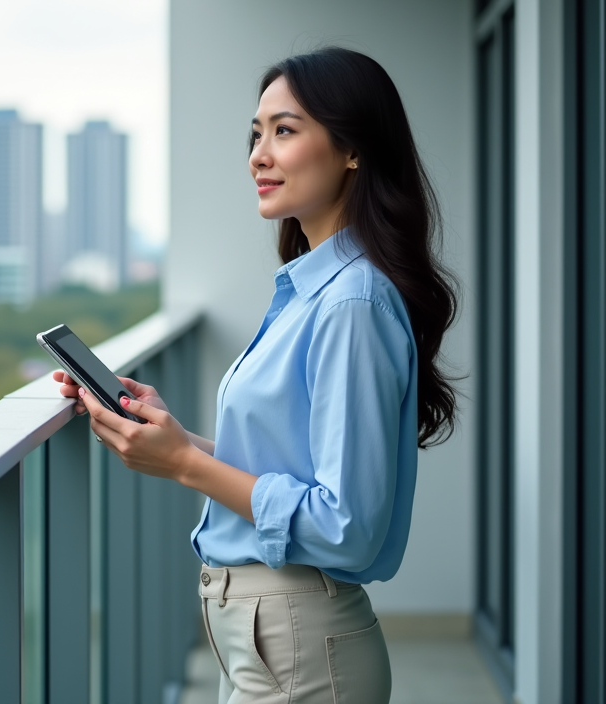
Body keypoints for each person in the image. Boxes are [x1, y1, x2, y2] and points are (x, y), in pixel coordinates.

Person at [54, 46, 458, 704]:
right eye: (256, 133)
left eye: (285, 130)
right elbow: (296, 470)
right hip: (272, 642)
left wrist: (186, 464)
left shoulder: (351, 303)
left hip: (301, 647)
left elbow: (345, 525)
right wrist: (178, 440)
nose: (258, 156)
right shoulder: (312, 291)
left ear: (353, 148)